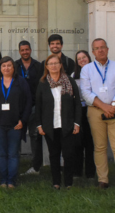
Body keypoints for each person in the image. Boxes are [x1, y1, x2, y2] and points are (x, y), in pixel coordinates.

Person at [79, 38, 115, 192]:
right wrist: (104, 106)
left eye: (103, 47)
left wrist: (113, 106)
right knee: (100, 147)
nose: (100, 50)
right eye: (97, 48)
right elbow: (86, 92)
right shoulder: (87, 69)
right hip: (96, 111)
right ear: (93, 52)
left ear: (107, 49)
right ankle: (103, 180)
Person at [32, 54, 81, 189]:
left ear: (60, 65)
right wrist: (39, 125)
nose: (53, 66)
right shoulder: (43, 84)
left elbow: (77, 104)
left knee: (68, 154)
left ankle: (69, 182)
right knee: (54, 155)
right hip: (50, 126)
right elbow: (38, 106)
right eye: (50, 64)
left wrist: (77, 123)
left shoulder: (70, 81)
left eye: (56, 63)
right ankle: (56, 182)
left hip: (67, 125)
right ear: (47, 67)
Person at [0, 57, 32, 188]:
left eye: (9, 66)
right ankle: (2, 180)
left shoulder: (21, 82)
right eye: (3, 66)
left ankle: (11, 181)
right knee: (1, 153)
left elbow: (28, 102)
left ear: (13, 68)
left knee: (13, 154)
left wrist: (23, 120)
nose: (6, 68)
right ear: (0, 68)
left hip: (16, 125)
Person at [16, 41, 45, 176]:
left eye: (27, 49)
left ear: (31, 50)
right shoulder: (15, 66)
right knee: (16, 136)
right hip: (18, 107)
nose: (25, 52)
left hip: (34, 106)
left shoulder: (38, 66)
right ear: (19, 51)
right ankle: (15, 164)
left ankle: (35, 167)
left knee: (35, 136)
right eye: (22, 50)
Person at [71, 50, 95, 179]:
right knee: (78, 141)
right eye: (79, 58)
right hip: (79, 111)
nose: (82, 60)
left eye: (84, 57)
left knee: (90, 142)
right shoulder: (74, 75)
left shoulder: (95, 72)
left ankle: (91, 172)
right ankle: (77, 171)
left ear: (88, 58)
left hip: (93, 109)